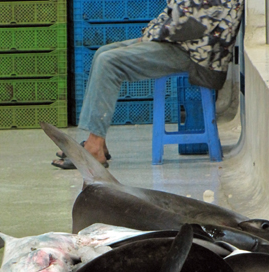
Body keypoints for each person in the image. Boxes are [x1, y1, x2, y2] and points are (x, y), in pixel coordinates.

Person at [52, 0, 244, 170]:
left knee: (108, 62)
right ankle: (98, 142)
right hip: (183, 44)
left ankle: (94, 148)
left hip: (198, 58)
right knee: (103, 52)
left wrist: (150, 37)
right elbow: (175, 12)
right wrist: (148, 36)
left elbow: (186, 23)